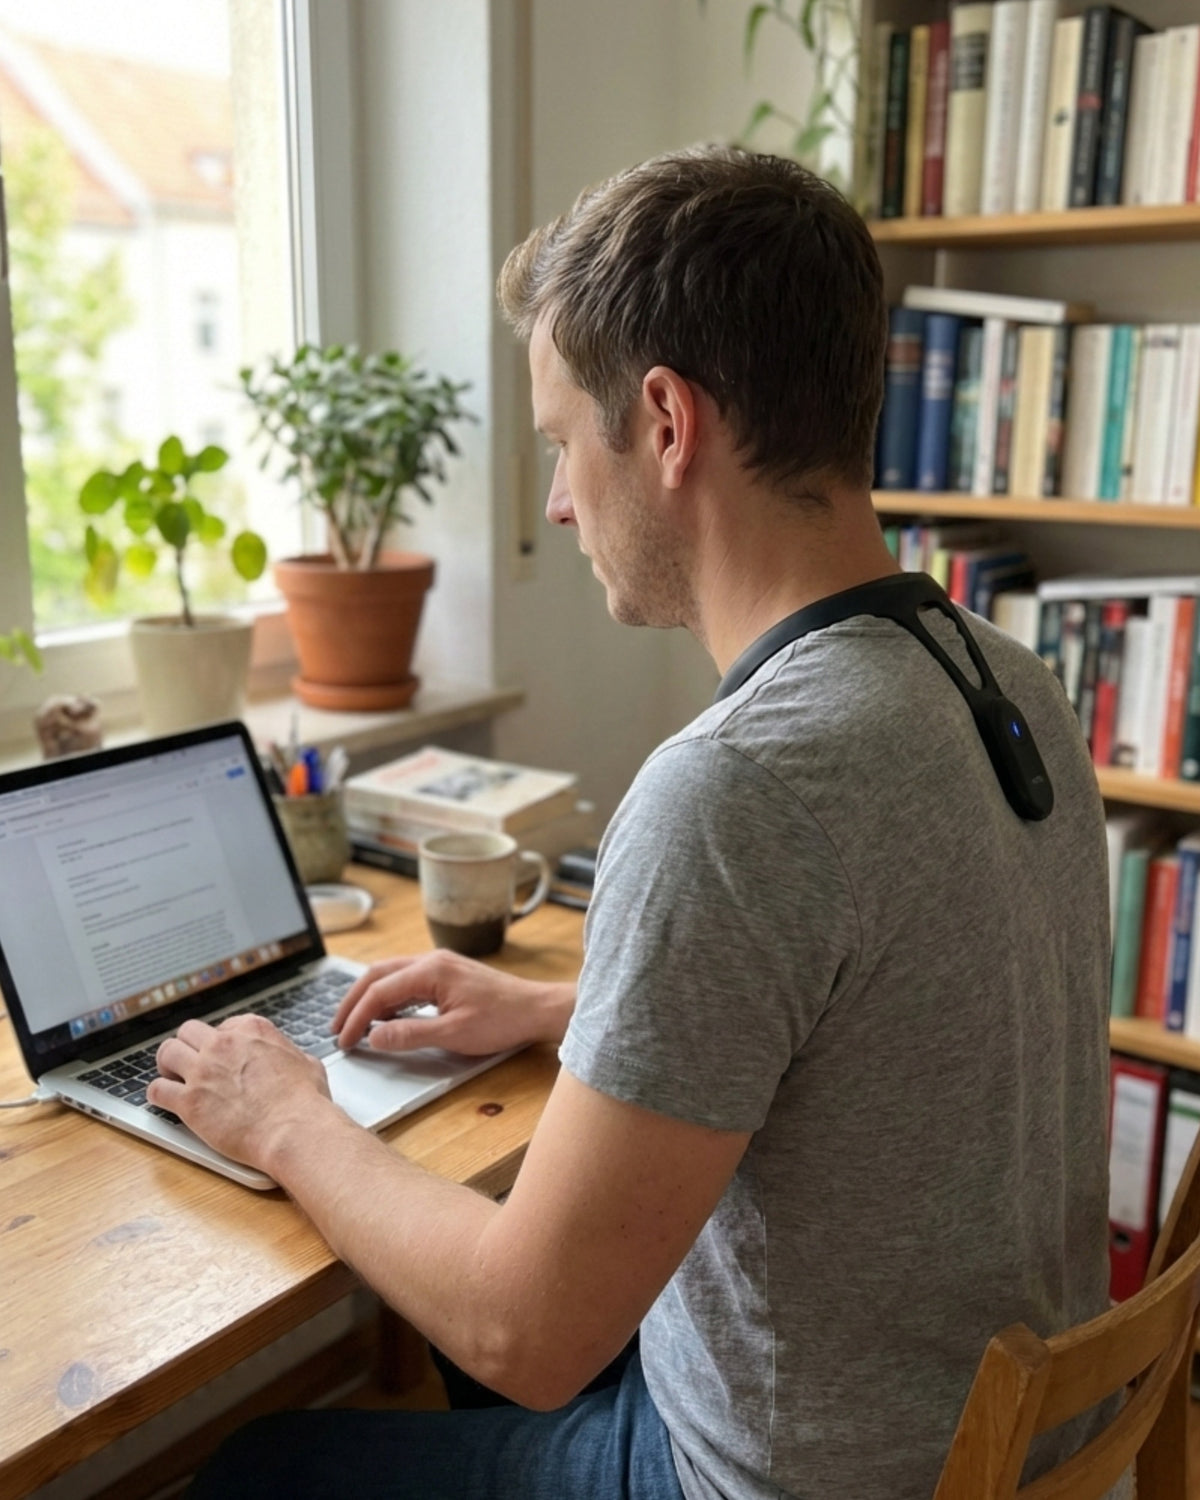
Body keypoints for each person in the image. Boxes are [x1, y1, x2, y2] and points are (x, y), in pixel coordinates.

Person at [161, 146, 1115, 1500]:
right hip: (990, 1436)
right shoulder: (999, 676)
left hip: (781, 1479)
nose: (557, 499)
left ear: (665, 423)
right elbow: (906, 1007)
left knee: (264, 1464)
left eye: (560, 438)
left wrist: (282, 1117)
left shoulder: (734, 789)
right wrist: (573, 1013)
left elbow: (527, 1331)